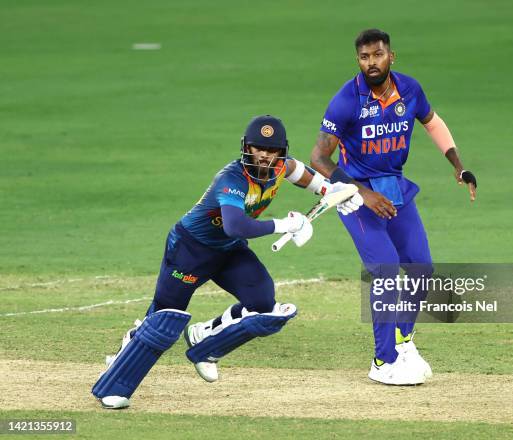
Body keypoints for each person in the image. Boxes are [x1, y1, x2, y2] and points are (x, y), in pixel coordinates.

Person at [92, 115, 363, 409]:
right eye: (258, 148)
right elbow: (235, 226)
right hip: (190, 250)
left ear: (280, 152)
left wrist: (330, 190)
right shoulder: (231, 179)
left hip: (228, 251)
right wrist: (285, 225)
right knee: (162, 319)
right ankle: (118, 370)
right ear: (246, 148)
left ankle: (204, 338)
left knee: (262, 301)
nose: (264, 155)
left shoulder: (283, 166)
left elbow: (300, 173)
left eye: (271, 150)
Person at [310, 29, 477, 385]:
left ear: (391, 56)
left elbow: (433, 123)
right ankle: (382, 362)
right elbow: (319, 157)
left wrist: (458, 165)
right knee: (385, 271)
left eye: (378, 55)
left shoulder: (410, 90)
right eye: (364, 57)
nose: (372, 62)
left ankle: (402, 340)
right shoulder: (347, 100)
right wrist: (362, 193)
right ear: (358, 60)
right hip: (354, 197)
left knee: (421, 269)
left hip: (394, 189)